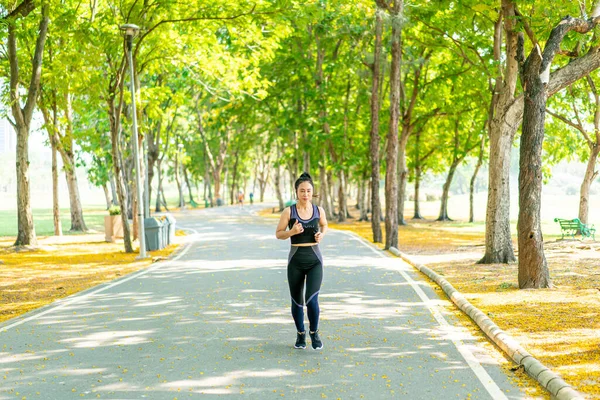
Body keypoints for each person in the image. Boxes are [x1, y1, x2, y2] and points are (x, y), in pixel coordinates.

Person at [275, 172, 328, 350]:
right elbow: (278, 234)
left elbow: (324, 224)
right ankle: (300, 334)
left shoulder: (318, 210)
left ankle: (314, 332)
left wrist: (321, 234)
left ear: (312, 192)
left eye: (308, 191)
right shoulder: (289, 211)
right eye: (302, 190)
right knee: (297, 301)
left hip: (315, 261)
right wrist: (291, 232)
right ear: (296, 192)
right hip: (295, 261)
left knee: (311, 299)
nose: (305, 194)